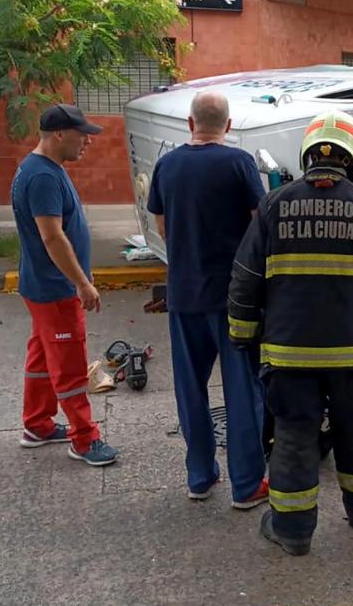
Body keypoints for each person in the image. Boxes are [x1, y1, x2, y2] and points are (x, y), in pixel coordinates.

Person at [228, 110, 353, 556]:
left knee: (293, 435)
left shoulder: (273, 205)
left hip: (289, 354)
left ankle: (292, 530)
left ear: (308, 156)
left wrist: (243, 335)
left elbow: (245, 277)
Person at [146, 91, 268, 508]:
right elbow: (260, 227)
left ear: (190, 123)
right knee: (241, 389)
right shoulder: (239, 163)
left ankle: (199, 476)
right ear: (229, 126)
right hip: (232, 297)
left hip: (183, 295)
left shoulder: (166, 165)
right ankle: (248, 484)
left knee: (190, 389)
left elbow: (161, 226)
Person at [11, 103, 119, 466]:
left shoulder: (43, 168)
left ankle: (37, 424)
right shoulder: (42, 177)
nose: (87, 141)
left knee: (42, 357)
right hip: (55, 288)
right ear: (59, 134)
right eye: (81, 133)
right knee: (70, 365)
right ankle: (85, 440)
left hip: (43, 285)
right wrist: (82, 284)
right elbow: (52, 238)